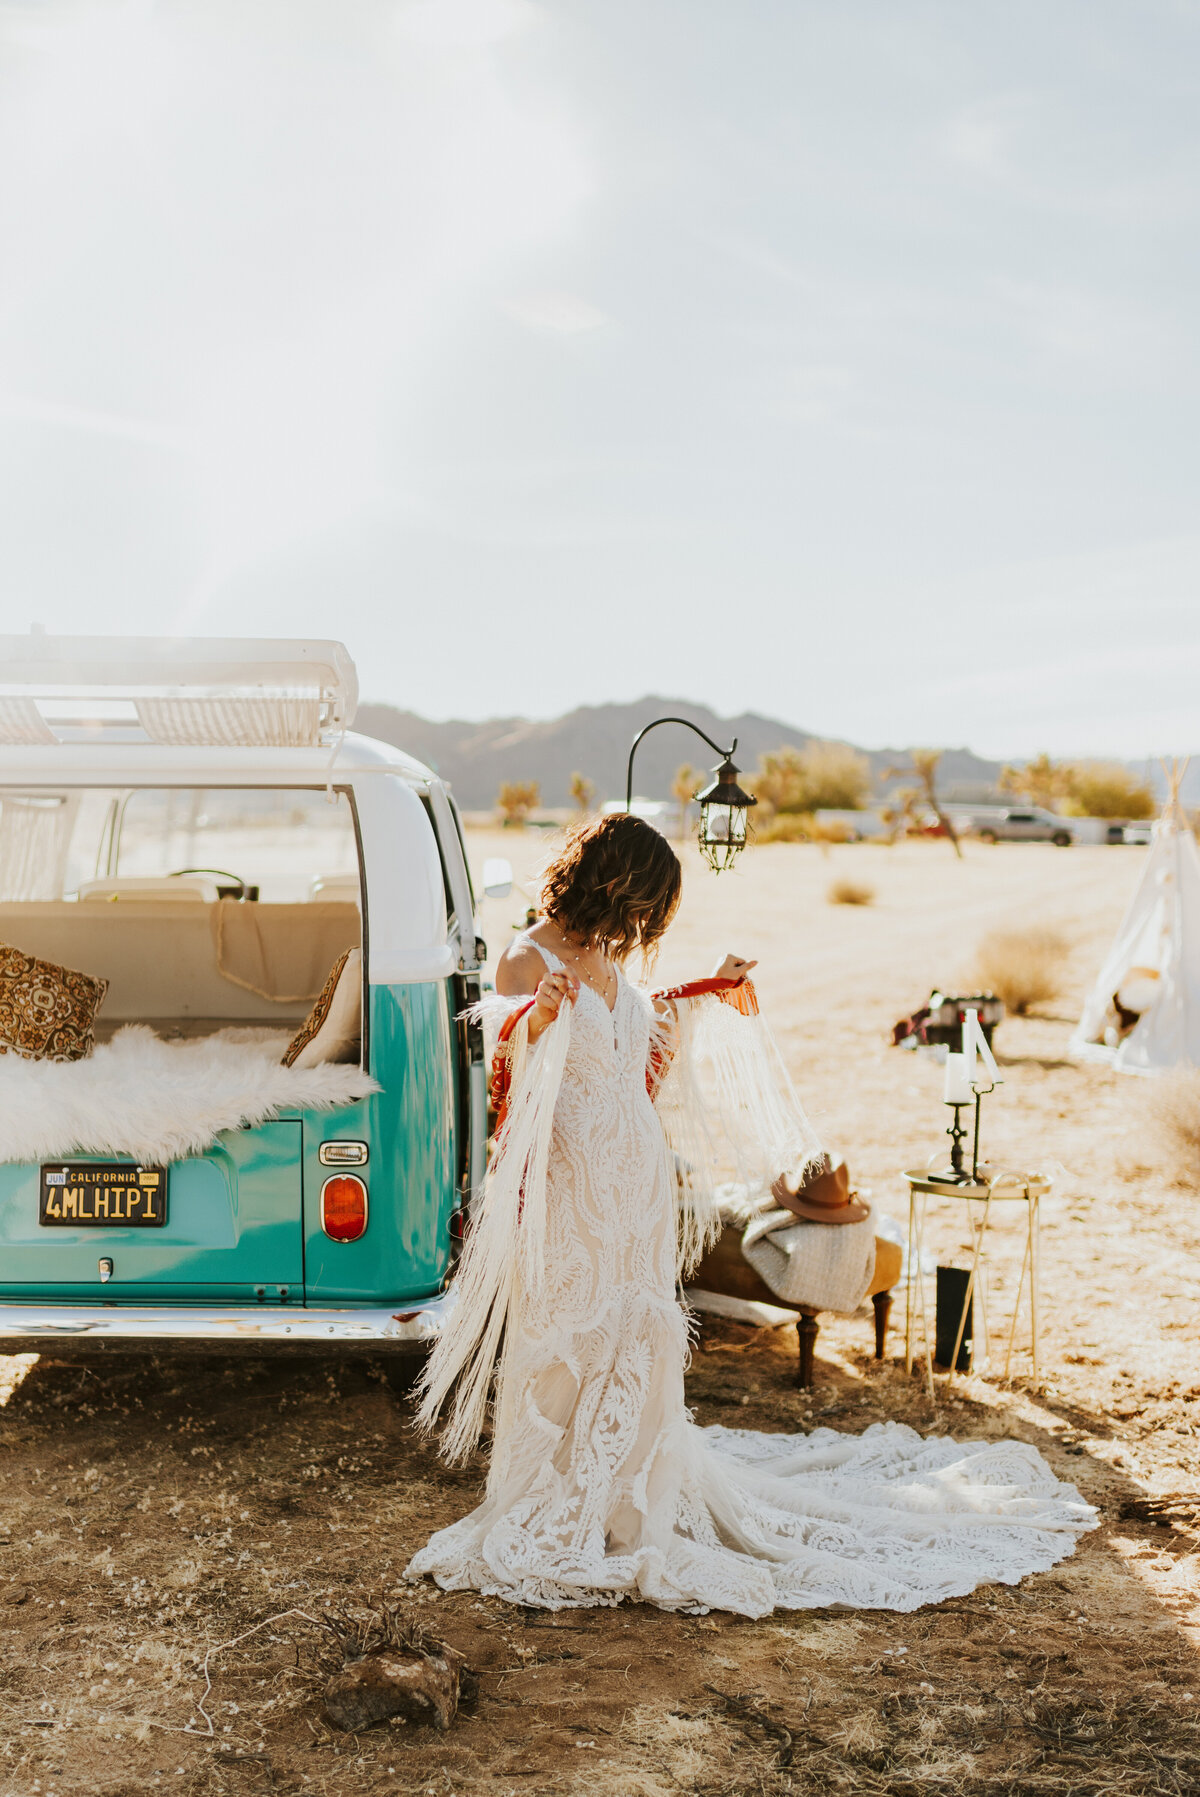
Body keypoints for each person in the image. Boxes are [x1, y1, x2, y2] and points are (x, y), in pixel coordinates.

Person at [406, 813, 1094, 1616]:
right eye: (643, 901)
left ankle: (627, 1502)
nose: (642, 924)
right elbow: (508, 1075)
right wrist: (538, 1017)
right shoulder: (530, 956)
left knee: (634, 1334)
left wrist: (705, 987)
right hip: (573, 1195)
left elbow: (637, 1047)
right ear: (610, 879)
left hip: (635, 1191)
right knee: (572, 1332)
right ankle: (558, 1497)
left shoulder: (606, 955)